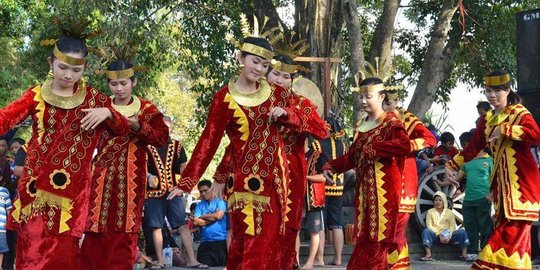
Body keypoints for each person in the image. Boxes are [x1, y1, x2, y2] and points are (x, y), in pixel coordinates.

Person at [170, 29, 306, 268]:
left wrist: (288, 115)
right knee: (250, 244)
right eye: (255, 62)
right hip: (245, 184)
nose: (259, 69)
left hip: (277, 184)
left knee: (272, 243)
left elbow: (311, 121)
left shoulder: (276, 94)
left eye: (265, 66)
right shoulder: (224, 98)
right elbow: (208, 141)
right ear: (240, 58)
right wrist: (186, 182)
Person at [0, 20, 131, 268]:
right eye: (62, 67)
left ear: (84, 69)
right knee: (31, 257)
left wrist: (108, 113)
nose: (68, 75)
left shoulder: (94, 98)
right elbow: (4, 118)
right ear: (51, 63)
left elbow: (123, 129)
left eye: (77, 70)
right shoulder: (36, 95)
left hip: (72, 197)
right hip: (35, 193)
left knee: (65, 259)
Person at [80, 57, 169, 269]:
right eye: (113, 84)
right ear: (108, 84)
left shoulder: (147, 109)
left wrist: (140, 127)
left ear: (134, 82)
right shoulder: (99, 106)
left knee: (125, 234)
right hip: (101, 180)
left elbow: (161, 138)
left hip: (132, 184)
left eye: (124, 83)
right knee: (94, 232)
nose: (119, 88)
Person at [446, 70, 540, 269]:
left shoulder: (519, 113)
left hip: (522, 187)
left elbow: (535, 136)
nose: (492, 95)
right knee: (517, 245)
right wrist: (452, 164)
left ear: (507, 90)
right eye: (488, 91)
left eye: (497, 91)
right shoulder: (486, 120)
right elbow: (473, 147)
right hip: (501, 190)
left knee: (509, 237)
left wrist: (507, 130)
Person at [323, 77, 411, 269]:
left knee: (379, 238)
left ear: (381, 97)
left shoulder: (390, 122)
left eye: (368, 96)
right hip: (365, 194)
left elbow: (404, 145)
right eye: (361, 96)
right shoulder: (362, 126)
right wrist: (332, 166)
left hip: (384, 194)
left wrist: (376, 148)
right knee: (365, 237)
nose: (363, 101)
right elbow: (352, 157)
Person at [267, 53, 328, 269]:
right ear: (266, 75)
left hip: (292, 177)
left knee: (289, 226)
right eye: (276, 74)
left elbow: (322, 130)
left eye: (286, 76)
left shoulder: (301, 103)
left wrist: (289, 115)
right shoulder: (254, 100)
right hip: (261, 176)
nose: (280, 80)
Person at [382, 87, 437, 269]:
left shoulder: (407, 119)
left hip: (405, 176)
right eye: (382, 102)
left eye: (388, 103)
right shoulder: (375, 120)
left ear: (396, 102)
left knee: (397, 226)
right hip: (382, 177)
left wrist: (407, 146)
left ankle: (397, 265)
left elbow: (430, 139)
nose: (385, 106)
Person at [144, 116, 206, 269]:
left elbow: (185, 167)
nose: (165, 129)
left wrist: (184, 187)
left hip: (174, 191)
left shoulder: (178, 146)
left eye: (167, 126)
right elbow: (141, 168)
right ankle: (160, 261)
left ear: (171, 127)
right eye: (161, 126)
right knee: (156, 226)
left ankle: (192, 260)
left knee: (183, 225)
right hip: (154, 193)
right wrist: (148, 176)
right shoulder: (146, 146)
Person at [314, 115, 347, 267]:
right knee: (337, 224)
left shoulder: (317, 144)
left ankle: (319, 258)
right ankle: (338, 259)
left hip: (322, 185)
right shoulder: (343, 146)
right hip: (339, 187)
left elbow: (313, 163)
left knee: (320, 223)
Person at [453, 148, 493, 256]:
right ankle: (472, 252)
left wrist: (491, 195)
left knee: (485, 227)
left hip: (483, 199)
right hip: (468, 200)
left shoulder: (490, 160)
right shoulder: (467, 161)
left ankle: (485, 253)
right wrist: (443, 178)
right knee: (470, 227)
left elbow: (496, 179)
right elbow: (457, 178)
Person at [421, 191, 471, 261]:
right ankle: (428, 255)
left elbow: (452, 226)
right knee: (426, 231)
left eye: (440, 200)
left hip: (448, 237)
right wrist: (439, 235)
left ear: (444, 201)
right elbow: (429, 226)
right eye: (435, 200)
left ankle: (464, 255)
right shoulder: (430, 212)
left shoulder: (449, 212)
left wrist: (448, 236)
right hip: (436, 236)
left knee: (462, 232)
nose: (437, 202)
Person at [301, 139, 326, 270]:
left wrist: (304, 178)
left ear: (305, 140)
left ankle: (311, 262)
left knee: (314, 231)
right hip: (296, 200)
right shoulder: (292, 154)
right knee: (294, 231)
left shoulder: (317, 155)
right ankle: (295, 262)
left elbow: (323, 177)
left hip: (313, 199)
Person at [192, 180, 228, 267]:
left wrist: (204, 215)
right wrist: (213, 217)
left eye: (205, 190)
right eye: (201, 191)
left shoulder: (220, 201)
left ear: (212, 189)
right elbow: (196, 221)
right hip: (205, 244)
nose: (203, 193)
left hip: (221, 242)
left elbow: (219, 215)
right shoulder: (199, 205)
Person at [0, 186, 11, 267]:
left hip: (1, 226)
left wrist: (9, 223)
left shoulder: (4, 191)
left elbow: (9, 209)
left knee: (1, 250)